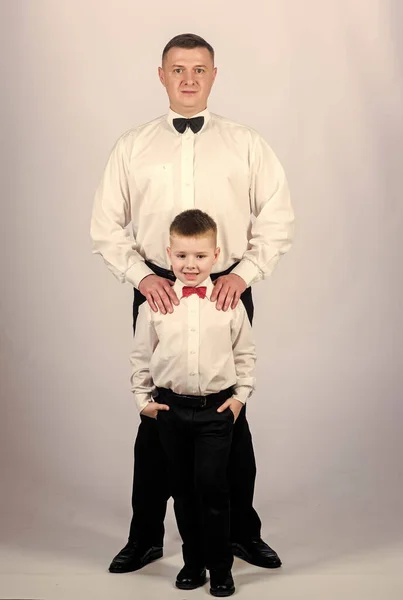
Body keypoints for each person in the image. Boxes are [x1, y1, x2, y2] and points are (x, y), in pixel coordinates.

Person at [91, 32, 294, 574]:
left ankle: (240, 533)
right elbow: (106, 227)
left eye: (198, 69)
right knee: (158, 418)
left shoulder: (246, 143)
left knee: (230, 415)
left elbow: (276, 218)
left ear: (214, 74)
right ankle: (145, 537)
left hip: (227, 286)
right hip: (156, 289)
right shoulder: (132, 145)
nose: (187, 78)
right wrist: (140, 278)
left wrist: (245, 274)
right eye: (177, 69)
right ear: (161, 75)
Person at [131, 209, 256, 596]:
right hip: (170, 409)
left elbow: (245, 356)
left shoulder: (229, 303)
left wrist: (239, 399)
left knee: (214, 490)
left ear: (215, 255)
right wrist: (143, 401)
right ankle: (192, 563)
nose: (190, 265)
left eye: (200, 257)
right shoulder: (152, 305)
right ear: (169, 254)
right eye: (182, 256)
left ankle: (221, 568)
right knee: (182, 491)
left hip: (217, 412)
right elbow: (140, 357)